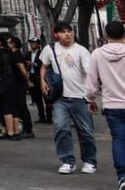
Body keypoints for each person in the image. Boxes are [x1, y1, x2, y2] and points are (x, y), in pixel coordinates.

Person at [40, 21, 97, 175]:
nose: (67, 34)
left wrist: (91, 95)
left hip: (80, 96)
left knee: (85, 131)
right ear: (56, 34)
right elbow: (44, 66)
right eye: (63, 31)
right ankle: (67, 161)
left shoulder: (81, 51)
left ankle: (89, 161)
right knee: (61, 128)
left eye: (69, 31)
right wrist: (42, 81)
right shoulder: (49, 49)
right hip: (60, 98)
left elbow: (90, 72)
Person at [86, 19, 125, 190]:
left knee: (118, 140)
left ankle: (122, 177)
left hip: (112, 105)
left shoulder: (97, 54)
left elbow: (91, 81)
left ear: (106, 35)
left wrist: (91, 99)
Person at [5, 36, 35, 138]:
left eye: (9, 42)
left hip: (18, 83)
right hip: (15, 83)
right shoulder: (13, 54)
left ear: (13, 44)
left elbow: (22, 70)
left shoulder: (16, 54)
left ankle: (28, 129)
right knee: (18, 106)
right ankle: (24, 128)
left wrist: (28, 81)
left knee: (22, 106)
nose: (7, 44)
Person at [29, 38, 49, 123]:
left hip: (42, 77)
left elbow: (44, 64)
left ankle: (49, 116)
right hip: (33, 77)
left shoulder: (42, 53)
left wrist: (34, 64)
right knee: (37, 99)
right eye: (31, 43)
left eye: (33, 43)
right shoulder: (28, 53)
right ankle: (41, 116)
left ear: (38, 44)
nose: (32, 45)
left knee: (47, 98)